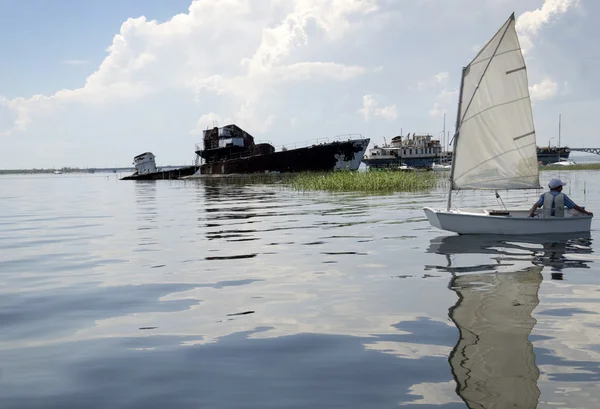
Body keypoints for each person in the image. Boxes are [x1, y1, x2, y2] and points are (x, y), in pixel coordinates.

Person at [528, 178, 593, 218]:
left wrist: (531, 214)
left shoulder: (544, 195)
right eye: (561, 186)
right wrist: (586, 212)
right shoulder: (563, 196)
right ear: (558, 187)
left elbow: (535, 205)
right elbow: (575, 206)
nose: (562, 188)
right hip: (558, 219)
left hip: (546, 218)